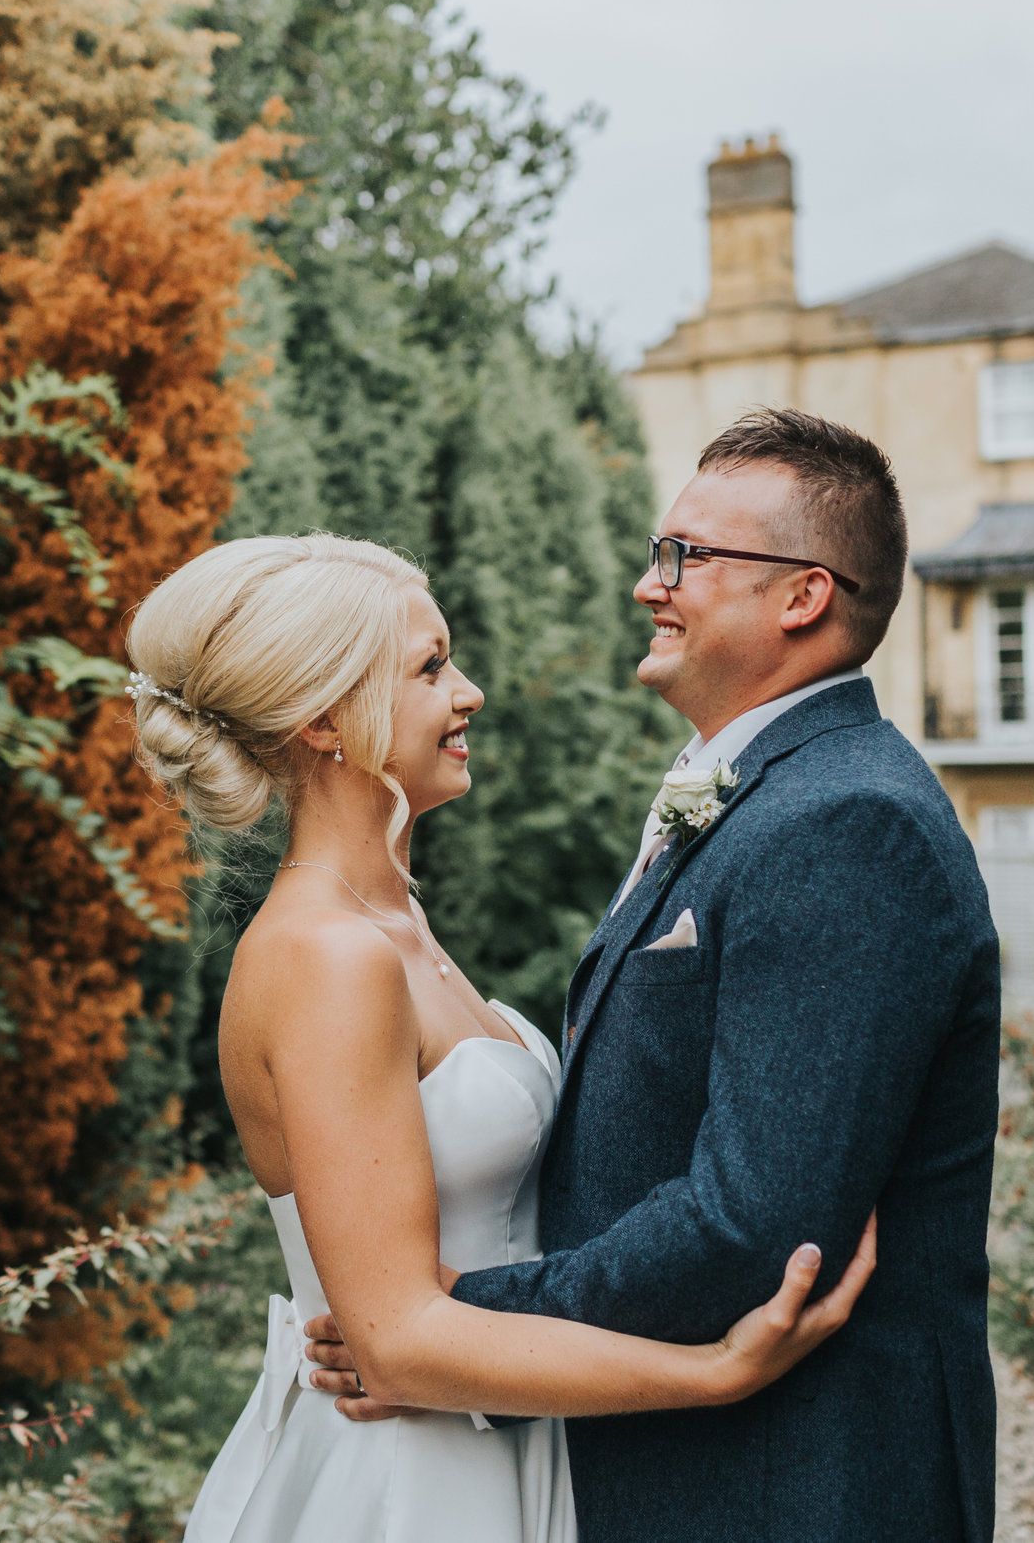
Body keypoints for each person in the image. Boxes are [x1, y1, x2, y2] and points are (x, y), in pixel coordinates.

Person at [305, 408, 1001, 1541]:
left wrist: (449, 1334)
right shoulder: (763, 791)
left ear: (802, 594)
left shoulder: (848, 820)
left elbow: (752, 1223)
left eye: (687, 555)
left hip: (793, 1484)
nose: (648, 583)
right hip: (691, 1471)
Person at [125, 533, 878, 1543]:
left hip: (507, 1440)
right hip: (410, 1479)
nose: (468, 691)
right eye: (431, 667)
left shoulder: (396, 925)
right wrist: (714, 1369)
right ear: (322, 720)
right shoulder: (325, 954)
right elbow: (393, 1340)